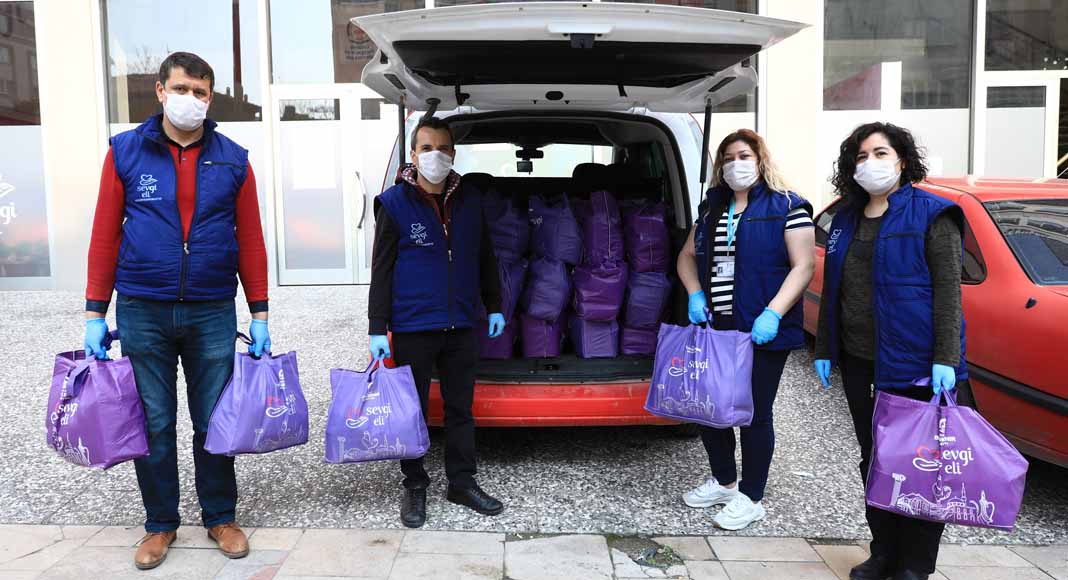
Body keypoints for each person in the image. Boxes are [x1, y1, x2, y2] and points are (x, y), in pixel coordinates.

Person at [84, 52, 268, 570]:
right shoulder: (125, 152)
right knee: (155, 422)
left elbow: (251, 239)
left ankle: (220, 516)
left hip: (211, 309)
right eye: (182, 89)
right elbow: (104, 234)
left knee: (214, 421)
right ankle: (160, 523)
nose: (192, 99)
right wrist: (95, 312)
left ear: (211, 99)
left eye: (201, 92)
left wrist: (259, 312)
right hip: (143, 308)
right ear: (161, 91)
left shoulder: (234, 159)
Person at [813, 122, 969, 580]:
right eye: (861, 156)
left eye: (880, 153)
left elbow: (948, 293)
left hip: (915, 363)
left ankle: (915, 565)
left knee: (920, 463)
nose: (870, 163)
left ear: (902, 160)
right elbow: (834, 288)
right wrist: (825, 346)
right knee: (875, 459)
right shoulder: (846, 218)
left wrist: (946, 357)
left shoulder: (934, 214)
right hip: (861, 362)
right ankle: (883, 552)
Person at [367, 115, 506, 528]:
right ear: (413, 155)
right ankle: (415, 484)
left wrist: (494, 305)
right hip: (413, 325)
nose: (435, 156)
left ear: (453, 153)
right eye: (426, 149)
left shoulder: (470, 201)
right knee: (413, 410)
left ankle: (462, 482)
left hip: (461, 322)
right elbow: (382, 269)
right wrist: (377, 326)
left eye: (443, 148)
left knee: (460, 408)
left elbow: (485, 257)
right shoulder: (394, 203)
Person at [677, 129, 815, 530]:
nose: (735, 164)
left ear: (760, 159)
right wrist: (695, 293)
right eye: (727, 158)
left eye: (743, 156)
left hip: (762, 328)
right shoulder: (712, 208)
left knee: (754, 413)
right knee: (710, 409)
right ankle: (725, 482)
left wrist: (773, 313)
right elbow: (686, 257)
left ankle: (751, 497)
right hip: (717, 326)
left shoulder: (788, 205)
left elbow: (803, 266)